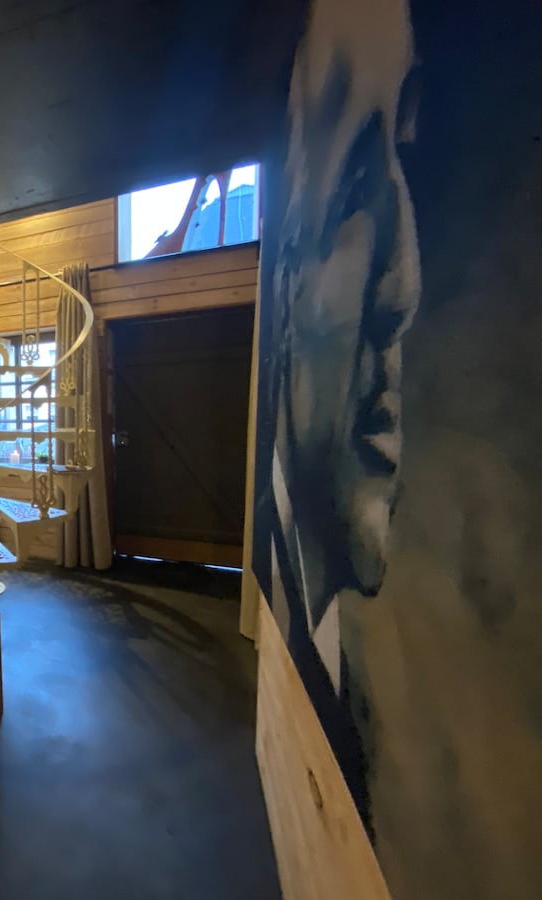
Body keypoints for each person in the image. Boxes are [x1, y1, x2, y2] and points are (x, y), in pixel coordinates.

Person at [261, 0, 422, 811]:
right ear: (286, 282)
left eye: (403, 161)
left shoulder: (361, 705)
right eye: (357, 186)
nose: (404, 289)